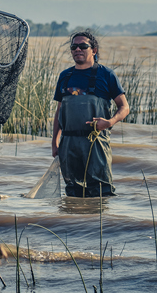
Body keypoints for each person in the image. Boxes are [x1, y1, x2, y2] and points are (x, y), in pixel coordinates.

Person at [51, 30, 129, 197]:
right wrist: (54, 142)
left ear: (94, 50)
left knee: (101, 192)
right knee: (73, 193)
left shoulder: (106, 75)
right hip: (68, 144)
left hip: (96, 143)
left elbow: (124, 107)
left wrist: (109, 122)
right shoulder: (65, 76)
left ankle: (98, 223)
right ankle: (77, 223)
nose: (77, 49)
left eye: (82, 46)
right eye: (74, 46)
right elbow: (59, 111)